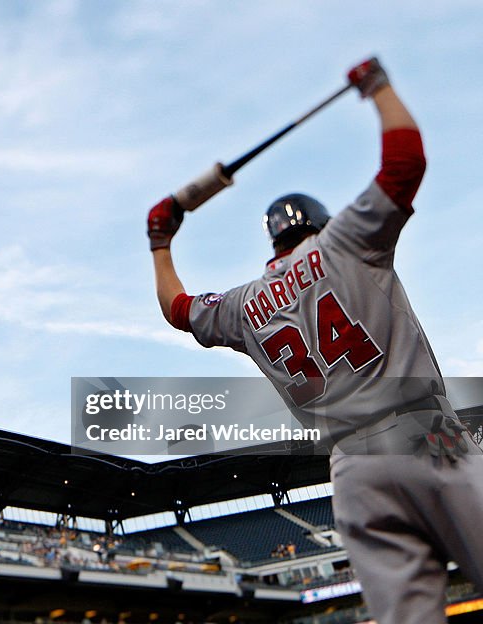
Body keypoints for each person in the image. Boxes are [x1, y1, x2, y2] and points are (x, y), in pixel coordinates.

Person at [147, 57, 483, 624]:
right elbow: (404, 163)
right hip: (428, 436)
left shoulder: (241, 305)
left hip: (353, 470)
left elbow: (177, 309)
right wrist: (379, 88)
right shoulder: (346, 242)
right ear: (320, 224)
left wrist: (160, 240)